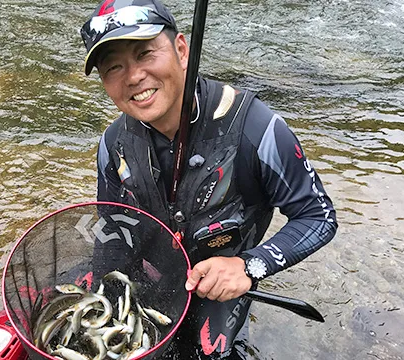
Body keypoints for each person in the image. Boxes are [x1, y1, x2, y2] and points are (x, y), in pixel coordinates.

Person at [80, 0, 338, 358]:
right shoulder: (113, 144)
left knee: (207, 352)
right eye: (114, 67)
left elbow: (318, 216)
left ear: (182, 50)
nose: (134, 76)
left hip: (221, 286)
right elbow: (111, 224)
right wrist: (104, 292)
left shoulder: (257, 129)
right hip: (152, 272)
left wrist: (250, 265)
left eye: (145, 54)